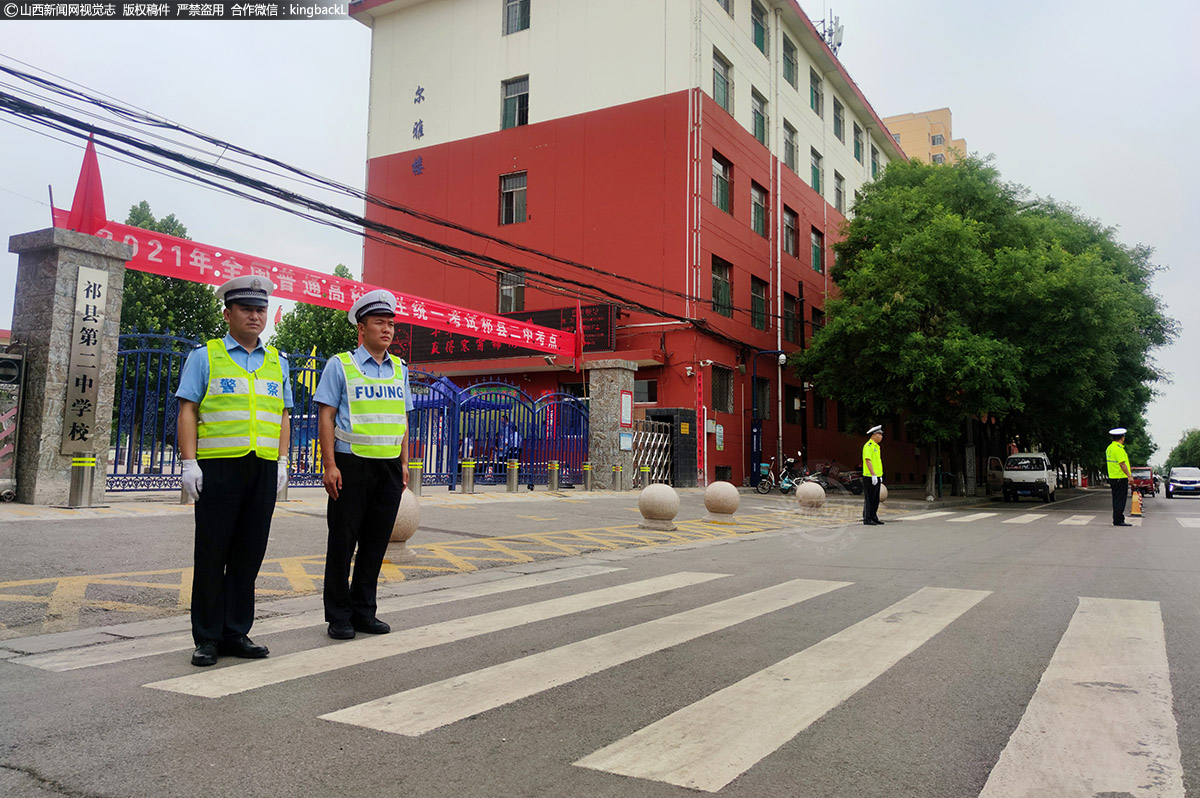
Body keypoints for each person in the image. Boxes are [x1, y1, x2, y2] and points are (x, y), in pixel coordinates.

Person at [176, 276, 292, 667]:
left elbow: (283, 415)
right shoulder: (205, 356)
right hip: (219, 468)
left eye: (260, 309)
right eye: (246, 309)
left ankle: (236, 631)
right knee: (212, 552)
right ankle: (207, 637)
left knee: (249, 553)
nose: (255, 316)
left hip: (261, 468)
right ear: (228, 314)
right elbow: (188, 409)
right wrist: (189, 463)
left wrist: (282, 461)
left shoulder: (278, 362)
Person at [314, 289, 410, 640]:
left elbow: (402, 417)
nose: (386, 330)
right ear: (361, 328)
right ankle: (338, 615)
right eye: (379, 323)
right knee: (343, 541)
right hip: (350, 464)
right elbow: (326, 416)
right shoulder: (340, 365)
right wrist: (329, 465)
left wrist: (404, 461)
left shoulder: (400, 368)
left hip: (387, 467)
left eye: (390, 324)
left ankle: (364, 611)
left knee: (376, 542)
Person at [1106, 427, 1133, 527]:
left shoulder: (1109, 448)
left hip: (1113, 477)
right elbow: (1122, 464)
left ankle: (1117, 519)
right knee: (1120, 500)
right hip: (1120, 477)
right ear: (1122, 438)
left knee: (1116, 499)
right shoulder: (1119, 449)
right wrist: (1129, 476)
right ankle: (1118, 520)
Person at [862, 425, 885, 525]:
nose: (881, 437)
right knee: (869, 498)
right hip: (869, 476)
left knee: (875, 499)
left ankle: (874, 517)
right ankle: (867, 518)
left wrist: (879, 475)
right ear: (874, 435)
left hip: (877, 476)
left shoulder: (877, 447)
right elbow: (868, 461)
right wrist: (873, 475)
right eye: (880, 434)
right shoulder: (868, 446)